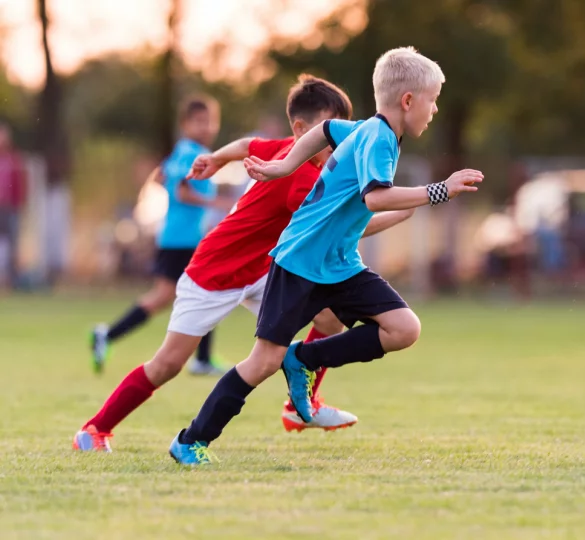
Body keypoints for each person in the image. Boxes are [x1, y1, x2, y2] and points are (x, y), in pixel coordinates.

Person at [168, 47, 483, 465]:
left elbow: (324, 130)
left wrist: (284, 165)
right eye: (433, 99)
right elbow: (374, 198)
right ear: (408, 101)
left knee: (403, 328)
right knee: (263, 361)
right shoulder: (381, 139)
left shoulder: (366, 129)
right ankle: (190, 440)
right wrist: (439, 190)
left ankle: (304, 358)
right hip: (299, 262)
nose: (436, 108)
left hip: (338, 265)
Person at [74, 76, 412, 453]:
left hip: (265, 271)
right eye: (333, 131)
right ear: (301, 130)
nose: (343, 142)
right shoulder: (301, 175)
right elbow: (333, 230)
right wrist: (399, 213)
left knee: (330, 320)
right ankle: (94, 429)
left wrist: (218, 158)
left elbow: (246, 145)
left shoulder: (292, 153)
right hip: (213, 274)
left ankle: (300, 406)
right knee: (167, 364)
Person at [90, 96, 231, 376]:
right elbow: (180, 191)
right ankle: (108, 335)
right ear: (185, 124)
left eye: (210, 121)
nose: (206, 127)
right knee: (191, 292)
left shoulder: (183, 151)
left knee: (201, 290)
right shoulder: (190, 152)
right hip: (183, 239)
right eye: (199, 121)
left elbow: (160, 177)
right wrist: (218, 205)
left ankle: (108, 335)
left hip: (182, 237)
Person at [0, 122, 25, 289]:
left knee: (13, 244)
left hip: (11, 208)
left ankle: (12, 280)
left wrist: (19, 203)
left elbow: (20, 184)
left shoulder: (14, 160)